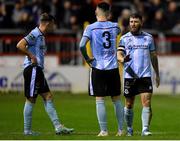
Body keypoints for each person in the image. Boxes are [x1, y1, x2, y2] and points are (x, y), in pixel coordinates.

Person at [16, 13, 74, 135]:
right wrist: (31, 56)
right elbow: (20, 45)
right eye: (53, 24)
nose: (54, 26)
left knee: (48, 97)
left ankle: (58, 127)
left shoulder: (41, 36)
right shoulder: (35, 33)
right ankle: (27, 131)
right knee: (31, 99)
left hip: (38, 70)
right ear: (48, 23)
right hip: (32, 69)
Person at [79, 2, 124, 137]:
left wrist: (88, 59)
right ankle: (121, 130)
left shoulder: (90, 28)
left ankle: (104, 131)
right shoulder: (115, 26)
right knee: (116, 99)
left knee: (100, 99)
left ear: (96, 12)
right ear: (109, 13)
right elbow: (119, 32)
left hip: (98, 67)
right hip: (113, 67)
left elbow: (82, 45)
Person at [117, 13, 160, 136]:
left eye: (135, 21)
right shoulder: (124, 38)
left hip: (145, 75)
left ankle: (145, 129)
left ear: (141, 22)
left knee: (146, 102)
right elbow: (119, 54)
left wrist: (157, 74)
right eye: (131, 22)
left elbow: (153, 56)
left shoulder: (149, 38)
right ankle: (129, 128)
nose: (133, 24)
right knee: (129, 104)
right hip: (130, 76)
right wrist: (122, 59)